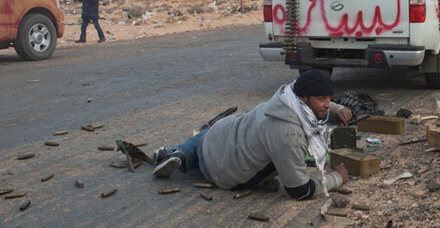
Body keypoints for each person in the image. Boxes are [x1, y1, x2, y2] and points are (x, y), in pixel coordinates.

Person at [151, 69, 352, 200]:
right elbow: (299, 190)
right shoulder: (289, 135)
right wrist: (336, 178)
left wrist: (335, 109)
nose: (326, 103)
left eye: (329, 98)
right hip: (219, 168)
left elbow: (312, 97)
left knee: (204, 134)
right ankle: (184, 160)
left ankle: (176, 153)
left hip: (223, 132)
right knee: (202, 151)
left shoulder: (285, 96)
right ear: (302, 98)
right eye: (322, 99)